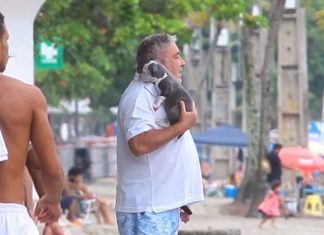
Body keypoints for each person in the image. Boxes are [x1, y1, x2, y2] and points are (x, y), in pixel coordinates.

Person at [115, 33, 204, 234]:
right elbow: (138, 144)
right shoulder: (139, 96)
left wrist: (178, 199)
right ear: (157, 63)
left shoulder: (157, 91)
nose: (183, 62)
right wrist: (181, 126)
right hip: (148, 209)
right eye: (176, 56)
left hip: (161, 206)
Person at [0, 12, 64, 234]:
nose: (8, 49)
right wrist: (53, 200)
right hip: (9, 217)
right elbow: (51, 168)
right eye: (6, 40)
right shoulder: (27, 97)